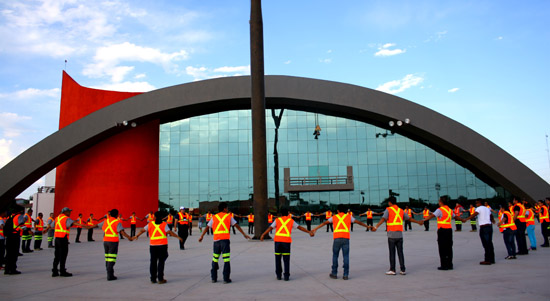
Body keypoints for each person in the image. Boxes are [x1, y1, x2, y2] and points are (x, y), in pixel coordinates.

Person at [311, 204, 369, 280]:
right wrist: (368, 227)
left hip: (337, 238)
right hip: (346, 238)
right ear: (345, 210)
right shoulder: (349, 217)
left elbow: (324, 223)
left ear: (338, 210)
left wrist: (315, 229)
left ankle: (334, 273)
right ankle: (345, 274)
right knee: (346, 256)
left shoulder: (334, 217)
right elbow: (359, 222)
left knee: (335, 255)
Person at [198, 202, 250, 284]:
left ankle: (213, 278)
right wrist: (244, 234)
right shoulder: (228, 216)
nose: (228, 209)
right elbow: (237, 226)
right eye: (227, 208)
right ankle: (226, 278)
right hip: (225, 241)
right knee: (226, 260)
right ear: (224, 209)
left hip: (216, 241)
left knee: (215, 259)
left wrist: (202, 236)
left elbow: (207, 227)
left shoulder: (214, 217)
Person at [372, 197, 423, 275]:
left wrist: (376, 227)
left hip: (392, 235)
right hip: (399, 235)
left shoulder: (388, 209)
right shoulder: (400, 210)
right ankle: (403, 269)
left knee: (392, 253)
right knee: (400, 252)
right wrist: (418, 222)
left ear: (390, 202)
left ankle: (392, 269)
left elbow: (383, 219)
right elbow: (409, 219)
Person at [260, 207, 311, 281]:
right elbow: (299, 227)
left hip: (278, 242)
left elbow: (270, 228)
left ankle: (278, 275)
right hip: (286, 242)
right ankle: (286, 276)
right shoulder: (291, 221)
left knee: (278, 259)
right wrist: (309, 232)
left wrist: (263, 234)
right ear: (288, 213)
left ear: (281, 213)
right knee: (286, 259)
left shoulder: (277, 220)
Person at [134, 211, 183, 284]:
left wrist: (137, 235)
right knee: (161, 262)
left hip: (153, 246)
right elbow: (169, 232)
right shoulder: (164, 224)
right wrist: (178, 237)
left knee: (153, 262)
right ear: (161, 217)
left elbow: (143, 230)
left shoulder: (150, 224)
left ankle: (153, 279)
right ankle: (160, 279)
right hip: (162, 246)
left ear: (155, 217)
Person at [91, 209, 133, 280]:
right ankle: (110, 275)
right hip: (113, 242)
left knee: (107, 258)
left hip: (105, 242)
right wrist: (129, 237)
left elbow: (96, 225)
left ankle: (110, 273)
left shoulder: (105, 221)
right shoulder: (117, 222)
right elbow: (122, 232)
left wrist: (87, 227)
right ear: (117, 215)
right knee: (112, 259)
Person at [51, 207, 91, 277]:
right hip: (63, 238)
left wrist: (45, 230)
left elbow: (51, 225)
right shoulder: (66, 218)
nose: (70, 213)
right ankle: (62, 271)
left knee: (57, 255)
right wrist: (85, 226)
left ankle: (54, 271)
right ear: (65, 212)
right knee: (63, 255)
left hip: (57, 239)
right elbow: (74, 223)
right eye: (69, 212)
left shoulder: (57, 218)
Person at [422, 196, 457, 270]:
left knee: (442, 248)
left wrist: (423, 220)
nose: (438, 202)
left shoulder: (439, 210)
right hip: (449, 230)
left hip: (442, 231)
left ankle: (444, 265)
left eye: (439, 201)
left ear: (441, 202)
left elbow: (432, 215)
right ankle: (450, 264)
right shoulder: (449, 210)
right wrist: (463, 220)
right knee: (449, 247)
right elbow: (455, 217)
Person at [461, 199, 495, 265]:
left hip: (484, 227)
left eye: (476, 203)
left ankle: (487, 260)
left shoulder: (479, 208)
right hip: (489, 227)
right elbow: (491, 215)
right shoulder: (487, 208)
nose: (476, 204)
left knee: (486, 244)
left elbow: (474, 214)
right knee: (490, 243)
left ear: (479, 203)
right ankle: (492, 259)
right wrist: (492, 220)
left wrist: (466, 219)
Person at [4, 206, 26, 275]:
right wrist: (28, 230)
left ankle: (7, 269)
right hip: (15, 236)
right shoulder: (19, 216)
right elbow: (22, 226)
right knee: (14, 254)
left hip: (9, 237)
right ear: (20, 211)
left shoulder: (10, 217)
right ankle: (13, 269)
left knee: (8, 253)